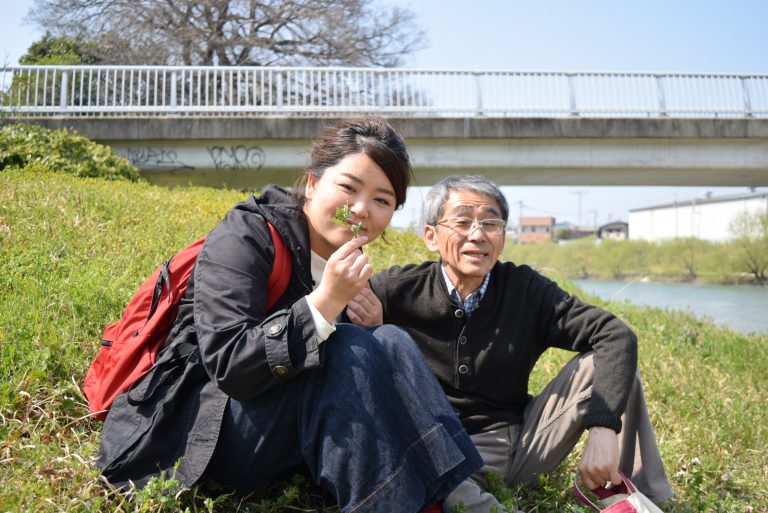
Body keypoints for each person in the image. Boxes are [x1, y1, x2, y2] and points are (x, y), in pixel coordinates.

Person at [95, 119, 483, 513]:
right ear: (312, 183)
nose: (362, 209)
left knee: (390, 339)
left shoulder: (347, 262)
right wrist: (325, 303)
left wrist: (368, 328)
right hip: (209, 431)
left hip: (290, 433)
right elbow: (230, 364)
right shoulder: (247, 235)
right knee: (349, 346)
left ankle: (460, 493)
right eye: (349, 188)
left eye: (382, 201)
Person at [347, 175, 674, 512]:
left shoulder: (526, 290)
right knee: (439, 481)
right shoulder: (392, 291)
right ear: (431, 236)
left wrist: (603, 427)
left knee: (608, 368)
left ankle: (643, 501)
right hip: (437, 447)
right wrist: (371, 331)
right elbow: (336, 344)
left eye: (491, 223)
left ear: (502, 238)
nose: (477, 234)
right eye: (462, 222)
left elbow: (614, 334)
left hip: (520, 447)